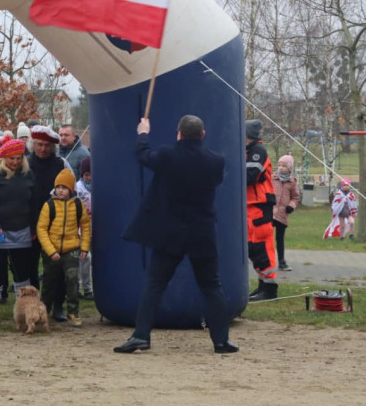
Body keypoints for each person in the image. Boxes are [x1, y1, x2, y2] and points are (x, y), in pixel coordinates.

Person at [115, 116, 237, 354]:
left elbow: (143, 155)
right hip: (202, 232)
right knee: (212, 286)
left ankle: (141, 335)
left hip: (170, 233)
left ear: (178, 134)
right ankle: (221, 340)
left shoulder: (168, 155)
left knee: (154, 285)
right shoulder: (216, 161)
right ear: (203, 134)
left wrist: (143, 132)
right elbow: (216, 181)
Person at [0, 139, 35, 323]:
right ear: (3, 158)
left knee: (21, 270)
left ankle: (24, 309)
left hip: (21, 230)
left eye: (19, 158)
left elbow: (33, 201)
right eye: (12, 158)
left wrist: (33, 226)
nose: (16, 162)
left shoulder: (28, 175)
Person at [36, 168, 90, 327]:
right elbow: (41, 228)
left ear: (71, 189)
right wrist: (50, 251)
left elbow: (85, 226)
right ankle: (44, 310)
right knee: (49, 281)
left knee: (73, 279)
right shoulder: (49, 205)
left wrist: (84, 247)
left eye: (64, 187)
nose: (60, 190)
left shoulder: (78, 205)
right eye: (58, 187)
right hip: (51, 249)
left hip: (71, 248)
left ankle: (73, 310)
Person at [27, 125, 70, 319]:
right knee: (31, 267)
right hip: (31, 221)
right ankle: (33, 306)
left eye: (46, 145)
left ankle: (57, 305)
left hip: (56, 223)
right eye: (39, 145)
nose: (42, 149)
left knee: (56, 268)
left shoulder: (61, 164)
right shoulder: (25, 164)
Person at [245, 120, 278, 301]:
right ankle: (263, 287)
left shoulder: (258, 151)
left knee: (262, 246)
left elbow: (250, 176)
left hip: (259, 205)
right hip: (251, 205)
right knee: (254, 247)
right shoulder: (249, 151)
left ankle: (269, 289)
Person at [272, 155, 300, 271]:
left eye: (284, 166)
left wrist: (291, 206)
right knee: (265, 238)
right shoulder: (272, 178)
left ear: (289, 168)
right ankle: (263, 260)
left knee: (280, 238)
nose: (281, 168)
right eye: (279, 165)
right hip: (269, 212)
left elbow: (296, 197)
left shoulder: (292, 182)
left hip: (282, 214)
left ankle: (282, 262)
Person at [75, 156, 94, 299]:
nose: (89, 178)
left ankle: (90, 287)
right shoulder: (78, 188)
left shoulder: (100, 186)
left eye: (91, 174)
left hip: (96, 226)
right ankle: (84, 287)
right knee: (84, 257)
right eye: (86, 175)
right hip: (81, 228)